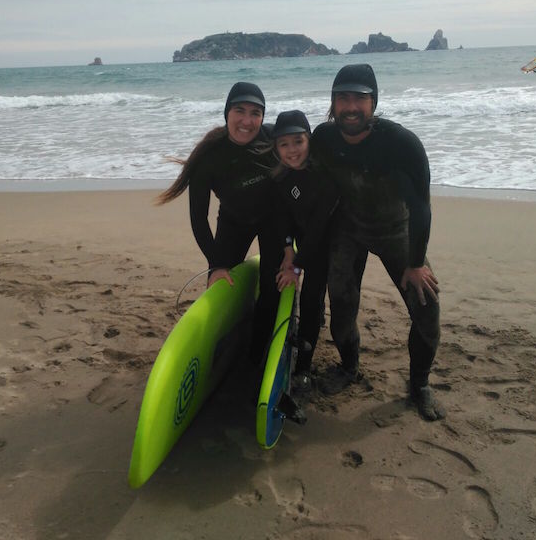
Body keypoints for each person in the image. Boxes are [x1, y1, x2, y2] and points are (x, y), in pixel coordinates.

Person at [310, 64, 444, 420]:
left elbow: (422, 207)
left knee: (427, 308)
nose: (351, 107)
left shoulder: (401, 144)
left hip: (396, 230)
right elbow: (298, 167)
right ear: (332, 103)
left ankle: (419, 385)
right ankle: (348, 366)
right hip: (348, 228)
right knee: (341, 304)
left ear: (374, 102)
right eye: (342, 98)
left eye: (360, 98)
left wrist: (416, 263)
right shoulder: (324, 138)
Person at [156, 82, 284, 364]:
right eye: (240, 110)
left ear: (263, 117)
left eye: (255, 113)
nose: (247, 121)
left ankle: (258, 355)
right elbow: (198, 218)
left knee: (271, 287)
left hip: (273, 220)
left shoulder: (274, 138)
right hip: (234, 221)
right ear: (227, 112)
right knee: (219, 283)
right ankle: (215, 347)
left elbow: (304, 150)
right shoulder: (210, 156)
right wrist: (216, 264)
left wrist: (291, 244)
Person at [270, 110, 339, 389]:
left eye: (298, 141)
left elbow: (319, 226)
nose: (292, 150)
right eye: (284, 144)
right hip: (303, 242)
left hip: (328, 245)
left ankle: (304, 369)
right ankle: (311, 320)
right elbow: (282, 218)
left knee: (311, 298)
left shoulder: (324, 176)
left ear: (309, 140)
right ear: (276, 148)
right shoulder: (281, 178)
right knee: (304, 293)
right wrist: (288, 250)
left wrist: (297, 267)